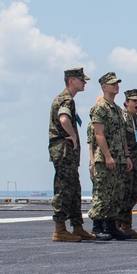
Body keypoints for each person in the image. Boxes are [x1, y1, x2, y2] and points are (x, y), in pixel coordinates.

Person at [49, 67, 95, 242]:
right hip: (64, 151)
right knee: (64, 189)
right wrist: (73, 135)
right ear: (71, 81)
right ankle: (59, 229)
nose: (84, 83)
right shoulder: (66, 99)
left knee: (74, 188)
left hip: (67, 152)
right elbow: (63, 118)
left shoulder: (67, 99)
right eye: (81, 80)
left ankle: (77, 227)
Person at [89, 72, 132, 241]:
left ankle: (111, 225)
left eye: (117, 83)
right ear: (104, 87)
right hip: (106, 158)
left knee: (116, 193)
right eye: (113, 83)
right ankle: (97, 226)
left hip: (120, 157)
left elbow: (122, 136)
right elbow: (98, 134)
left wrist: (127, 156)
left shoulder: (117, 110)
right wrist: (107, 156)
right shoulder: (100, 108)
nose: (116, 86)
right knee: (103, 193)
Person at [117, 89, 137, 239]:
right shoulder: (121, 119)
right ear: (126, 102)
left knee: (132, 194)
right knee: (123, 193)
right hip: (126, 161)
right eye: (134, 101)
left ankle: (126, 226)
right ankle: (117, 225)